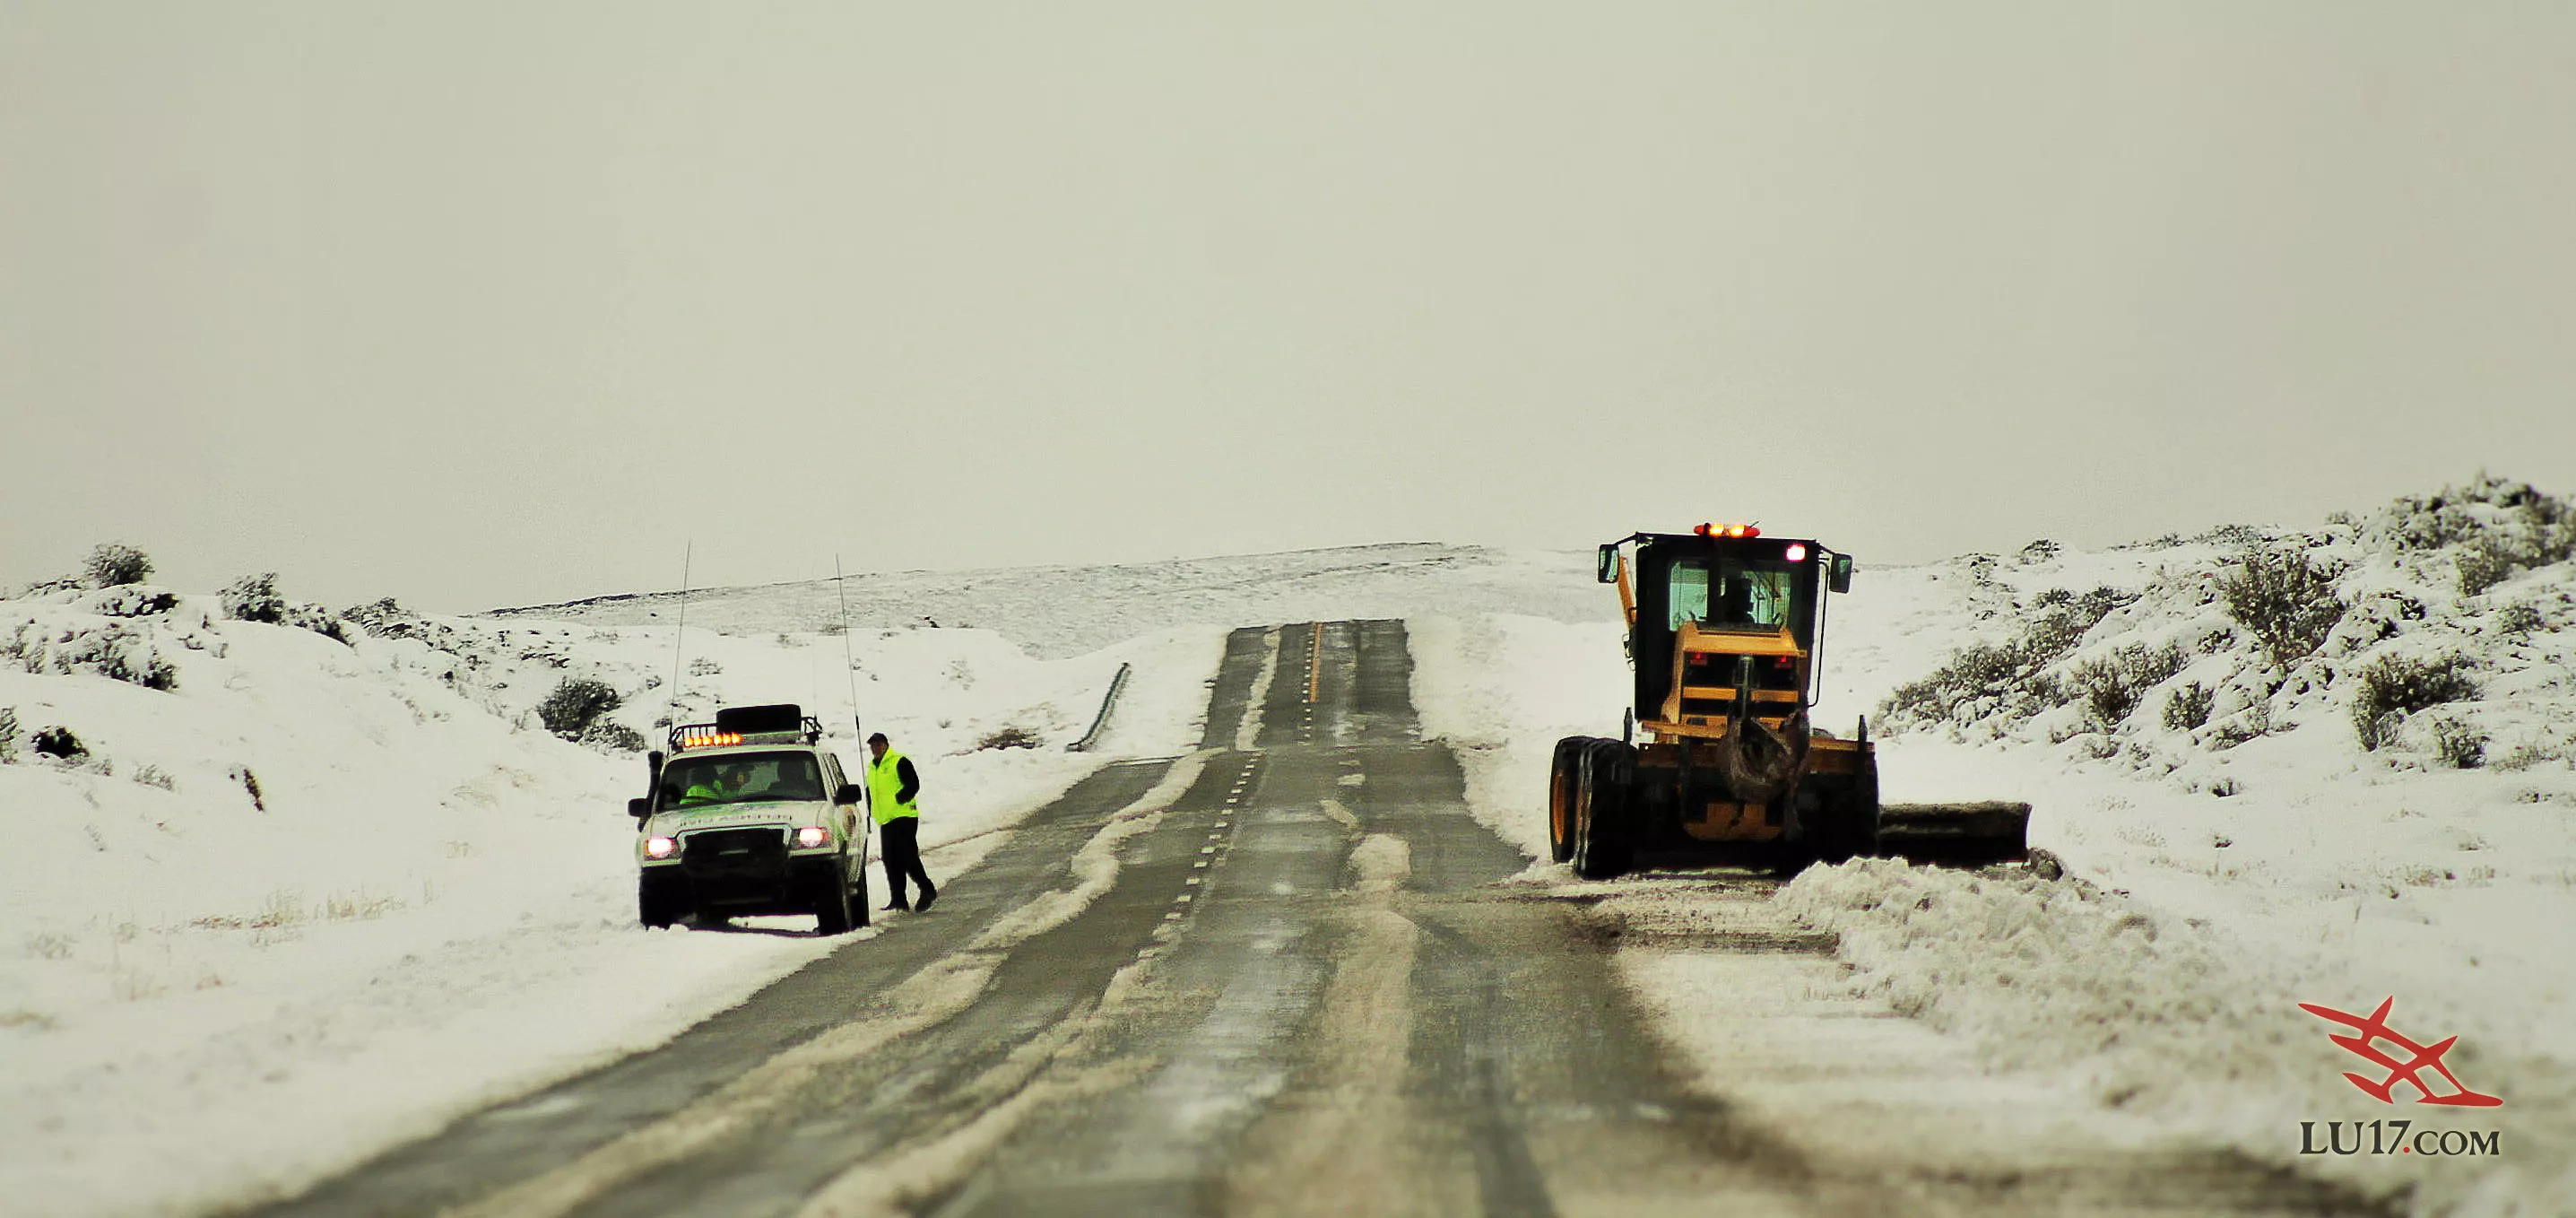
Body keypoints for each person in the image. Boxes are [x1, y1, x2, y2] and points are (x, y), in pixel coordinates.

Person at [867, 732, 936, 912]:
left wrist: (900, 798)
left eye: (878, 745)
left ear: (886, 745)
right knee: (891, 860)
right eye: (873, 746)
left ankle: (927, 889)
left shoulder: (899, 761)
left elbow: (913, 784)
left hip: (904, 817)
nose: (875, 748)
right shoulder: (872, 768)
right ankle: (898, 899)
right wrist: (871, 808)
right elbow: (872, 791)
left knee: (907, 856)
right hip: (886, 819)